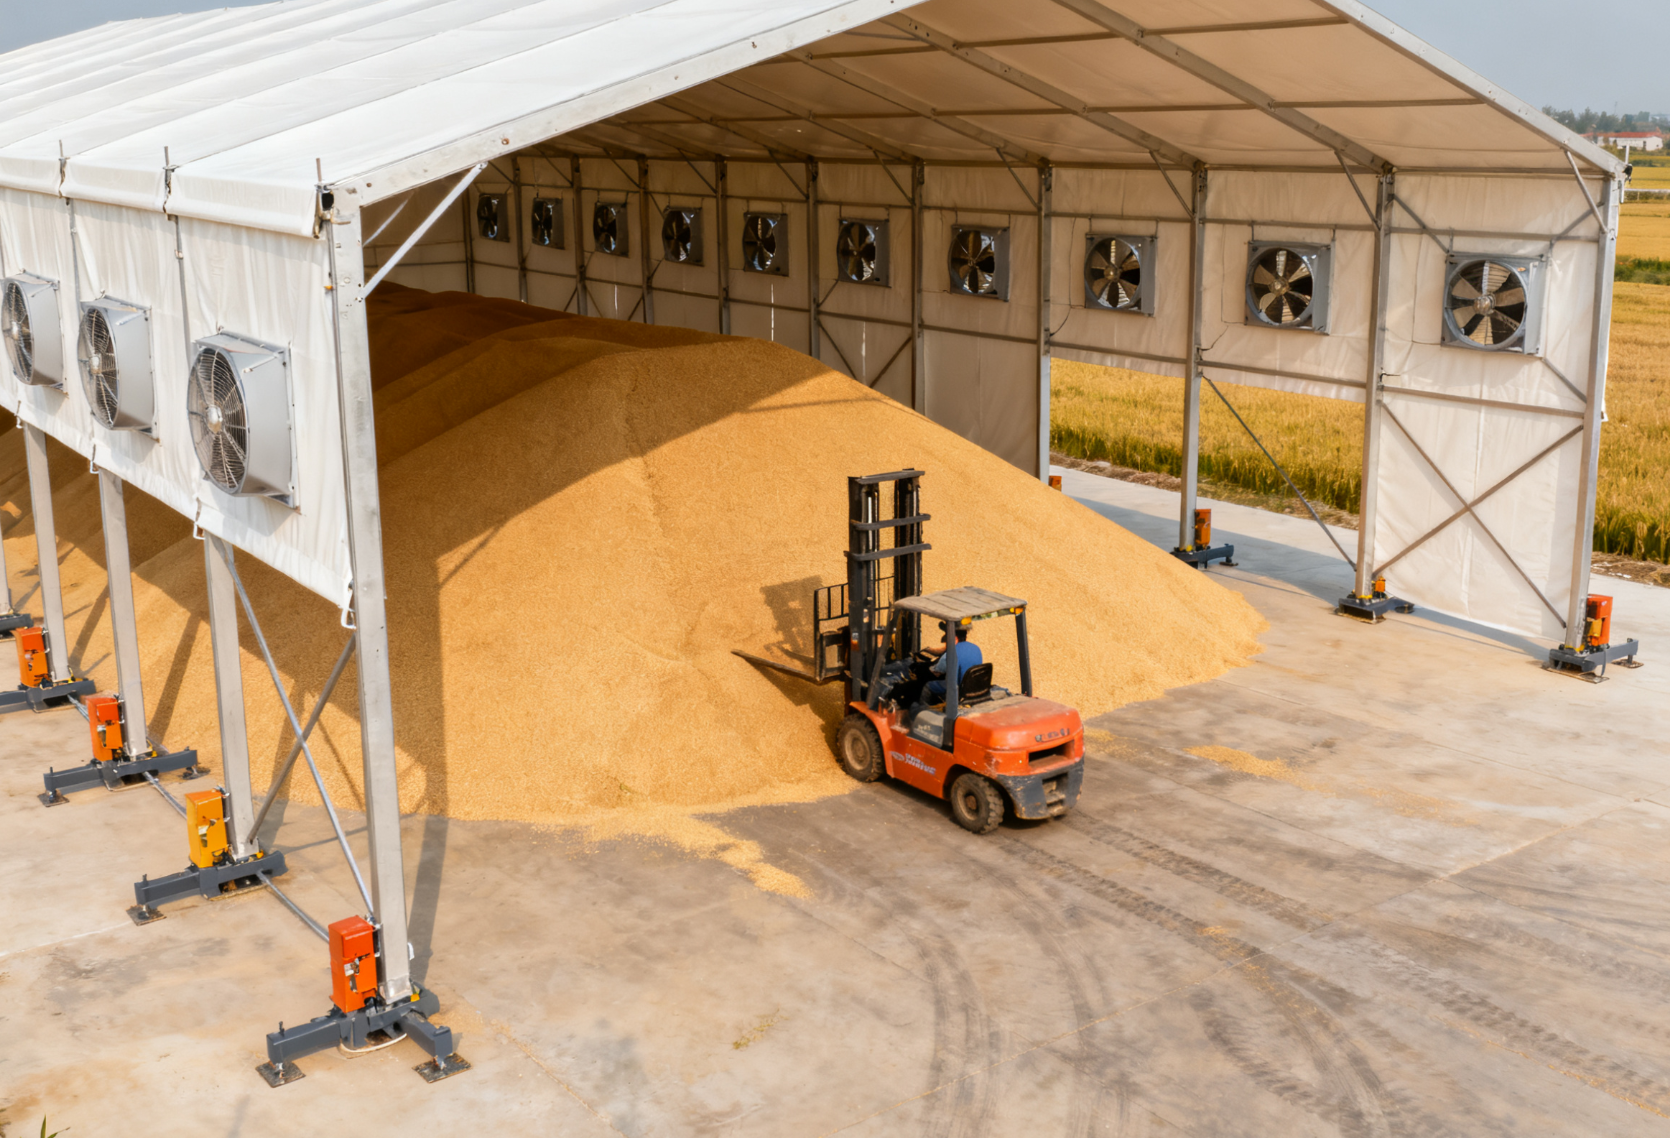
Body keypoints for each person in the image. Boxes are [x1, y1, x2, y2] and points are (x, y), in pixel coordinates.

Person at [923, 622, 981, 703]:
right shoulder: (976, 648)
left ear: (954, 638)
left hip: (957, 687)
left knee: (927, 686)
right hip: (973, 687)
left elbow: (936, 672)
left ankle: (924, 711)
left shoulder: (950, 653)